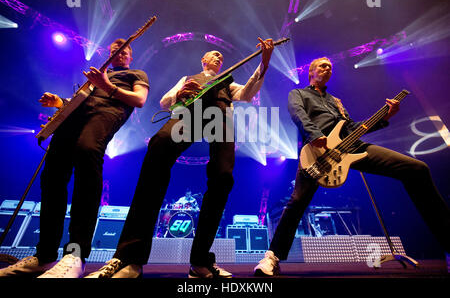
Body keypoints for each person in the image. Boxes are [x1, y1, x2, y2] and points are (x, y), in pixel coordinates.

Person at [85, 37, 274, 278]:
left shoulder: (227, 80)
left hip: (220, 119)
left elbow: (247, 94)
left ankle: (200, 262)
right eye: (213, 55)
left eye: (221, 57)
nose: (218, 58)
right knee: (158, 147)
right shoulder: (187, 79)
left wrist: (264, 63)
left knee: (223, 176)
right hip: (189, 115)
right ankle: (129, 258)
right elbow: (165, 101)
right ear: (203, 60)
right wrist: (179, 95)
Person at [254, 57, 450, 276]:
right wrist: (316, 135)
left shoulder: (336, 101)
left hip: (352, 148)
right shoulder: (298, 94)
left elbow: (351, 128)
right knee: (297, 202)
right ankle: (272, 257)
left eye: (330, 66)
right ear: (311, 72)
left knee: (418, 169)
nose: (328, 68)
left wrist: (384, 117)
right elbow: (298, 114)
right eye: (322, 65)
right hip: (317, 153)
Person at [0, 39, 149, 278]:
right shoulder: (96, 76)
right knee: (52, 173)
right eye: (114, 52)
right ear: (108, 55)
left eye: (124, 52)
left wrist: (107, 85)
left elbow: (139, 100)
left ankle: (76, 254)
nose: (119, 54)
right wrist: (58, 102)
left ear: (130, 57)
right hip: (76, 116)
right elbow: (79, 102)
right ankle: (44, 255)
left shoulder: (135, 74)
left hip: (107, 112)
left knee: (87, 150)